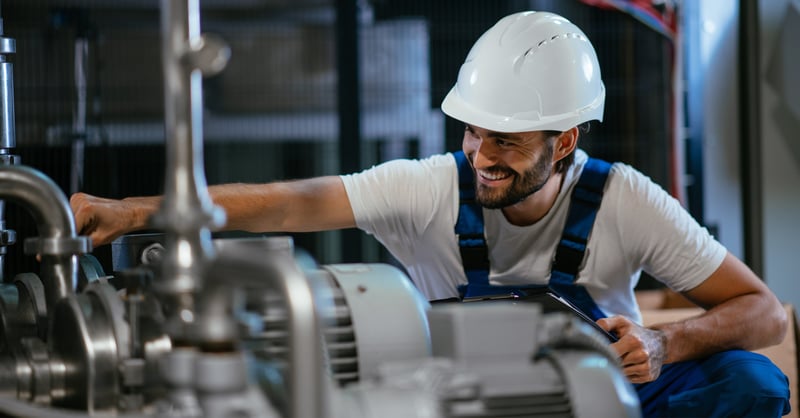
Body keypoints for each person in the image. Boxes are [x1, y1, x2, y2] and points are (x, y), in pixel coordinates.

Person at [70, 10, 790, 418]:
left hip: (604, 400)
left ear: (564, 141)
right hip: (469, 400)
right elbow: (290, 201)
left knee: (756, 384)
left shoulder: (624, 198)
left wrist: (668, 345)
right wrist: (132, 212)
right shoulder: (427, 189)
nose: (479, 153)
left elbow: (765, 315)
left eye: (504, 138)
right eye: (471, 130)